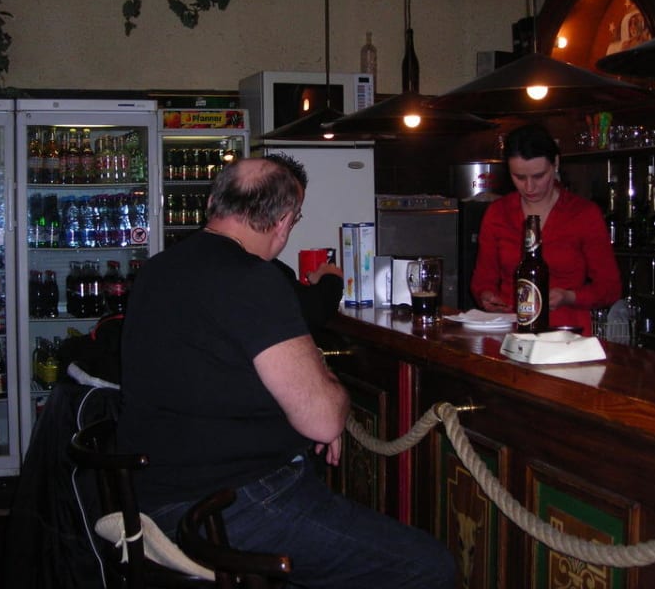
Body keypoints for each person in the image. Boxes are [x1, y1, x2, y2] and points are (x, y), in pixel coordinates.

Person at [117, 157, 459, 588]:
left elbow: (214, 377)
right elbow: (324, 419)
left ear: (212, 203)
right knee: (429, 566)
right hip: (225, 505)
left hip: (154, 495)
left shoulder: (159, 269)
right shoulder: (252, 279)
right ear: (283, 222)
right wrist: (328, 396)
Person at [470, 123, 621, 334]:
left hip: (566, 333)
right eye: (519, 177)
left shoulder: (583, 213)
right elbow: (483, 279)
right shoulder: (498, 213)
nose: (529, 187)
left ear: (555, 163)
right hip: (509, 331)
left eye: (538, 176)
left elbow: (610, 288)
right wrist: (486, 296)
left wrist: (570, 296)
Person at [263, 152, 344, 339]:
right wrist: (331, 278)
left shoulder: (206, 250)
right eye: (295, 216)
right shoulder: (259, 270)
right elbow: (311, 314)